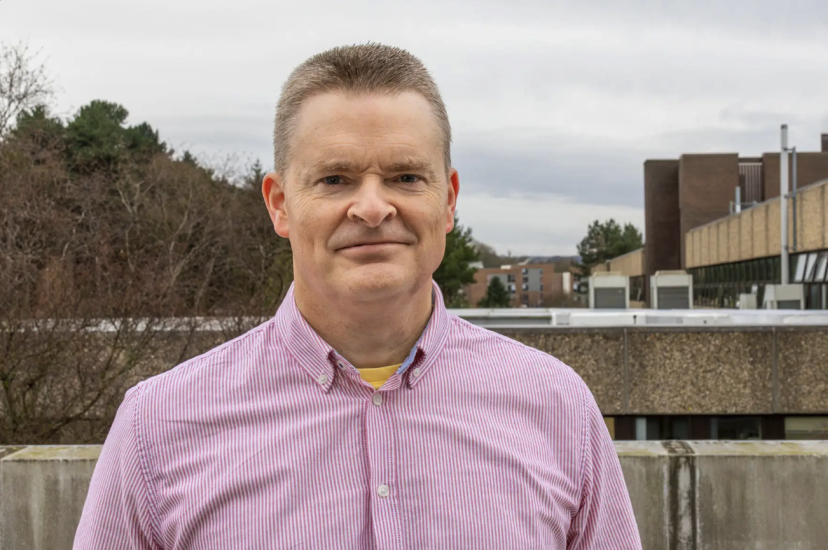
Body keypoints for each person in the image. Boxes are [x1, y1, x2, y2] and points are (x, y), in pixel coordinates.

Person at [74, 43, 642, 549]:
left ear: (449, 200)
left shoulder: (556, 408)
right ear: (279, 204)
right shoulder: (159, 426)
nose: (372, 208)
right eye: (334, 179)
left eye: (406, 177)